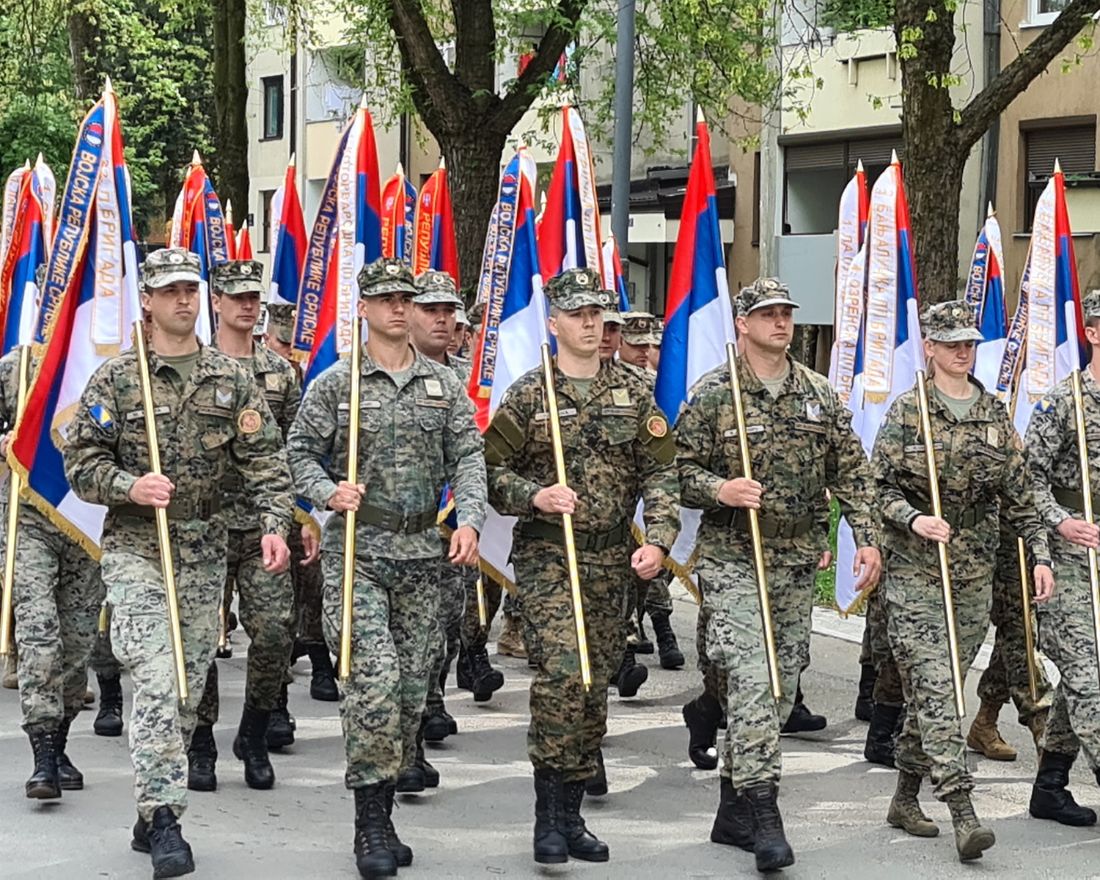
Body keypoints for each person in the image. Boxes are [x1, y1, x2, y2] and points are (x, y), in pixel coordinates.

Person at [64, 247, 293, 879]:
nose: (183, 300)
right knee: (159, 681)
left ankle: (147, 808)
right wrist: (129, 485)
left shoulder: (229, 377)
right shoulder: (118, 378)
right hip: (138, 549)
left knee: (188, 690)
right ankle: (166, 818)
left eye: (191, 288)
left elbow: (267, 464)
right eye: (169, 291)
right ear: (148, 299)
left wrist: (275, 525)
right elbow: (79, 463)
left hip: (203, 551)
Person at [287, 257, 485, 880]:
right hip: (361, 555)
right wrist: (325, 492)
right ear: (365, 309)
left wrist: (472, 520)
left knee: (408, 691)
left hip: (425, 557)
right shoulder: (337, 384)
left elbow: (470, 457)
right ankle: (369, 822)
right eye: (387, 299)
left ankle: (387, 809)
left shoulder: (444, 386)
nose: (399, 308)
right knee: (372, 684)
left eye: (407, 298)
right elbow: (297, 453)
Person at [676, 277, 881, 873]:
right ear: (742, 323)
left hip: (794, 562)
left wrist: (864, 538)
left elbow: (853, 473)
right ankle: (766, 814)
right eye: (767, 313)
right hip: (733, 558)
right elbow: (674, 471)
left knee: (780, 687)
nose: (780, 322)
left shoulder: (817, 394)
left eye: (786, 313)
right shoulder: (716, 393)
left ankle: (732, 809)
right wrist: (720, 488)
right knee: (750, 678)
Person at [483, 267, 679, 865]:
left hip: (612, 561)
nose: (591, 324)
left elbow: (662, 472)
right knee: (564, 676)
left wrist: (661, 540)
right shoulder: (529, 392)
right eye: (578, 314)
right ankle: (547, 816)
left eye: (598, 313)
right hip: (548, 556)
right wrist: (533, 496)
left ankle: (571, 813)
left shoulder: (633, 391)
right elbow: (491, 474)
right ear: (554, 322)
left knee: (596, 684)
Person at [872, 299, 1053, 862]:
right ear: (929, 347)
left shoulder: (994, 413)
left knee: (938, 685)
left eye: (969, 343)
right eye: (950, 342)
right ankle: (961, 809)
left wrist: (1041, 555)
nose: (961, 351)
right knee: (935, 684)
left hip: (973, 568)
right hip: (916, 567)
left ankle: (904, 797)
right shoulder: (909, 412)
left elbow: (1022, 495)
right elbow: (875, 489)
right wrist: (913, 517)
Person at [186, 260, 301, 793]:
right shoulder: (196, 368)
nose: (247, 306)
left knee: (277, 632)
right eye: (235, 297)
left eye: (253, 297)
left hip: (263, 527)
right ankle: (202, 737)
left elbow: (295, 452)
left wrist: (301, 516)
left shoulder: (281, 374)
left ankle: (254, 729)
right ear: (217, 303)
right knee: (202, 640)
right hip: (204, 528)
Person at [0, 343, 104, 801]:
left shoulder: (104, 363)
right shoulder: (14, 369)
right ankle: (42, 753)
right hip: (28, 519)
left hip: (87, 520)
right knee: (40, 634)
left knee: (77, 643)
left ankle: (59, 743)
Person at [401, 268, 491, 790]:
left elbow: (473, 456)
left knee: (448, 621)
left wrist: (472, 516)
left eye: (448, 311)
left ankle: (433, 692)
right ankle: (418, 722)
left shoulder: (467, 380)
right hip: (393, 532)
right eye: (430, 309)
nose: (442, 319)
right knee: (409, 639)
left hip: (451, 523)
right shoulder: (359, 376)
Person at [1024, 288, 1100, 830]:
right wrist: (1058, 521)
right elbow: (1026, 480)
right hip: (1070, 551)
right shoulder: (1062, 403)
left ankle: (1050, 785)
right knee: (1087, 675)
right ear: (1093, 332)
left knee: (1082, 681)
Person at [265, 302, 336, 704]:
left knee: (312, 578)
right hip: (255, 500)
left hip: (298, 494)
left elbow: (304, 447)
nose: (291, 352)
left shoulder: (310, 374)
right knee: (276, 598)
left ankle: (320, 658)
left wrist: (309, 506)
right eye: (282, 343)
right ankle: (274, 697)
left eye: (296, 344)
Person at [965, 525, 1052, 761]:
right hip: (1001, 537)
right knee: (1020, 631)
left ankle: (985, 721)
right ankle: (1043, 733)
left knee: (1014, 635)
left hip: (1042, 536)